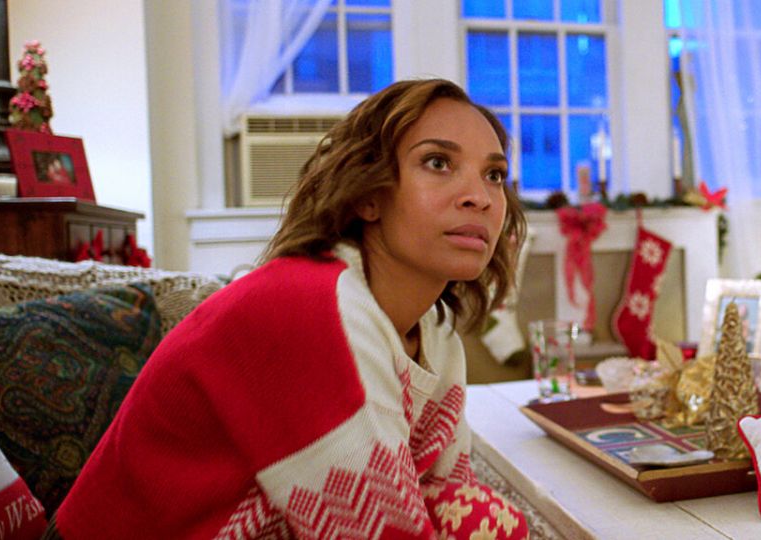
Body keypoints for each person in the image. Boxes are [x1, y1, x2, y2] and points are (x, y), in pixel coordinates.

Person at [50, 79, 529, 539]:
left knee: (488, 519)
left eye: (494, 174)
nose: (481, 197)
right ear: (368, 193)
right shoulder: (309, 308)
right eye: (438, 162)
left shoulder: (437, 334)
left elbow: (451, 498)